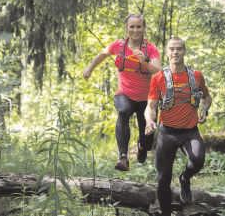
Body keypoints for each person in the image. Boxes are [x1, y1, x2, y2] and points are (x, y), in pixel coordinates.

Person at [83, 14, 161, 171]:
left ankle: (141, 146)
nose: (135, 30)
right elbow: (103, 54)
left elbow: (157, 70)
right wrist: (89, 69)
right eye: (132, 26)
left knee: (147, 138)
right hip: (124, 93)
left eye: (139, 26)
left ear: (144, 28)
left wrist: (143, 61)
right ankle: (123, 157)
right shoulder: (119, 46)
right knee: (123, 111)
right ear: (127, 28)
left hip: (146, 100)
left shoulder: (150, 49)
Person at [144, 37, 212, 216]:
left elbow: (206, 97)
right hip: (167, 133)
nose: (175, 52)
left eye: (179, 49)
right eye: (172, 49)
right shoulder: (158, 78)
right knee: (163, 179)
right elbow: (151, 106)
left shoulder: (196, 76)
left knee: (198, 160)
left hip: (190, 131)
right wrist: (150, 120)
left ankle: (185, 178)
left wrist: (204, 109)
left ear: (184, 51)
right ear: (167, 52)